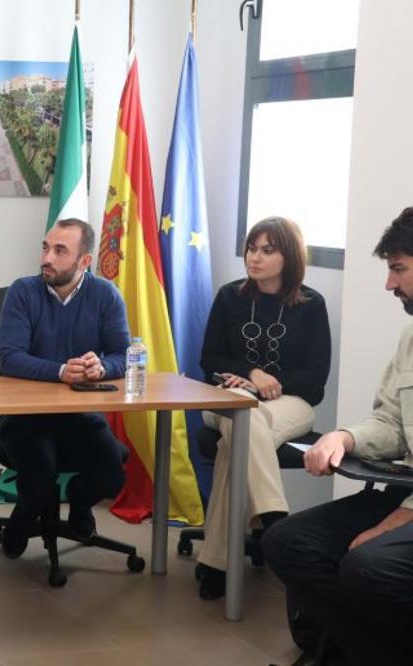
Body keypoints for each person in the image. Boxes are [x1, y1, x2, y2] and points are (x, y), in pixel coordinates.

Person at [263, 208, 413, 665]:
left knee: (369, 567)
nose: (389, 284)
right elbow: (390, 422)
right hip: (404, 488)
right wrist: (344, 438)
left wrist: (402, 516)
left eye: (398, 268)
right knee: (287, 543)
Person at [195, 218, 331, 600]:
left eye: (267, 250)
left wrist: (272, 384)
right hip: (224, 398)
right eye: (252, 248)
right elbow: (209, 359)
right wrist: (251, 374)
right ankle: (273, 518)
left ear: (289, 256)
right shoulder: (228, 297)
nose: (254, 257)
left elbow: (315, 380)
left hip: (291, 404)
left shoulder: (312, 305)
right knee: (242, 417)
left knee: (233, 443)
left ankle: (216, 561)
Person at [0, 218, 129, 556]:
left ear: (85, 261)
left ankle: (80, 503)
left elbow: (124, 355)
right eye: (45, 248)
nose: (46, 258)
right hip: (26, 417)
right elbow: (9, 358)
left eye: (59, 250)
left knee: (113, 475)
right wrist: (62, 370)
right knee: (39, 478)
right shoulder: (23, 291)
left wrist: (101, 367)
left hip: (79, 415)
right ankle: (25, 514)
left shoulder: (105, 295)